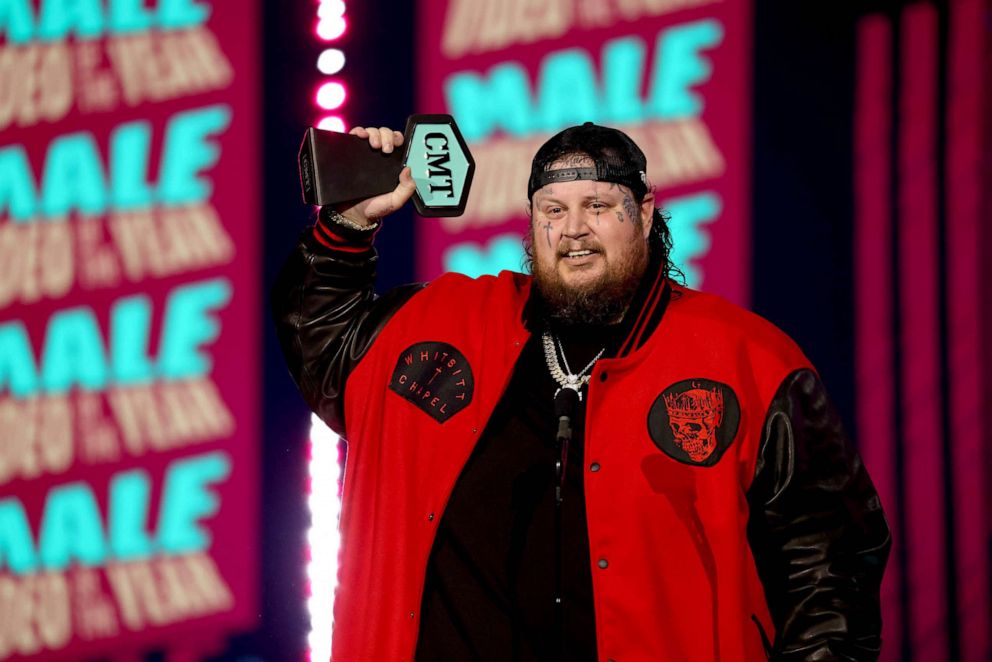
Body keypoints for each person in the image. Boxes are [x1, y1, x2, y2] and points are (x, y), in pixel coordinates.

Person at [273, 122, 891, 661]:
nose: (574, 230)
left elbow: (829, 568)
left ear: (646, 213)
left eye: (597, 205)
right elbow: (326, 347)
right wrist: (347, 225)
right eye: (553, 210)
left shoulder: (747, 360)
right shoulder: (446, 324)